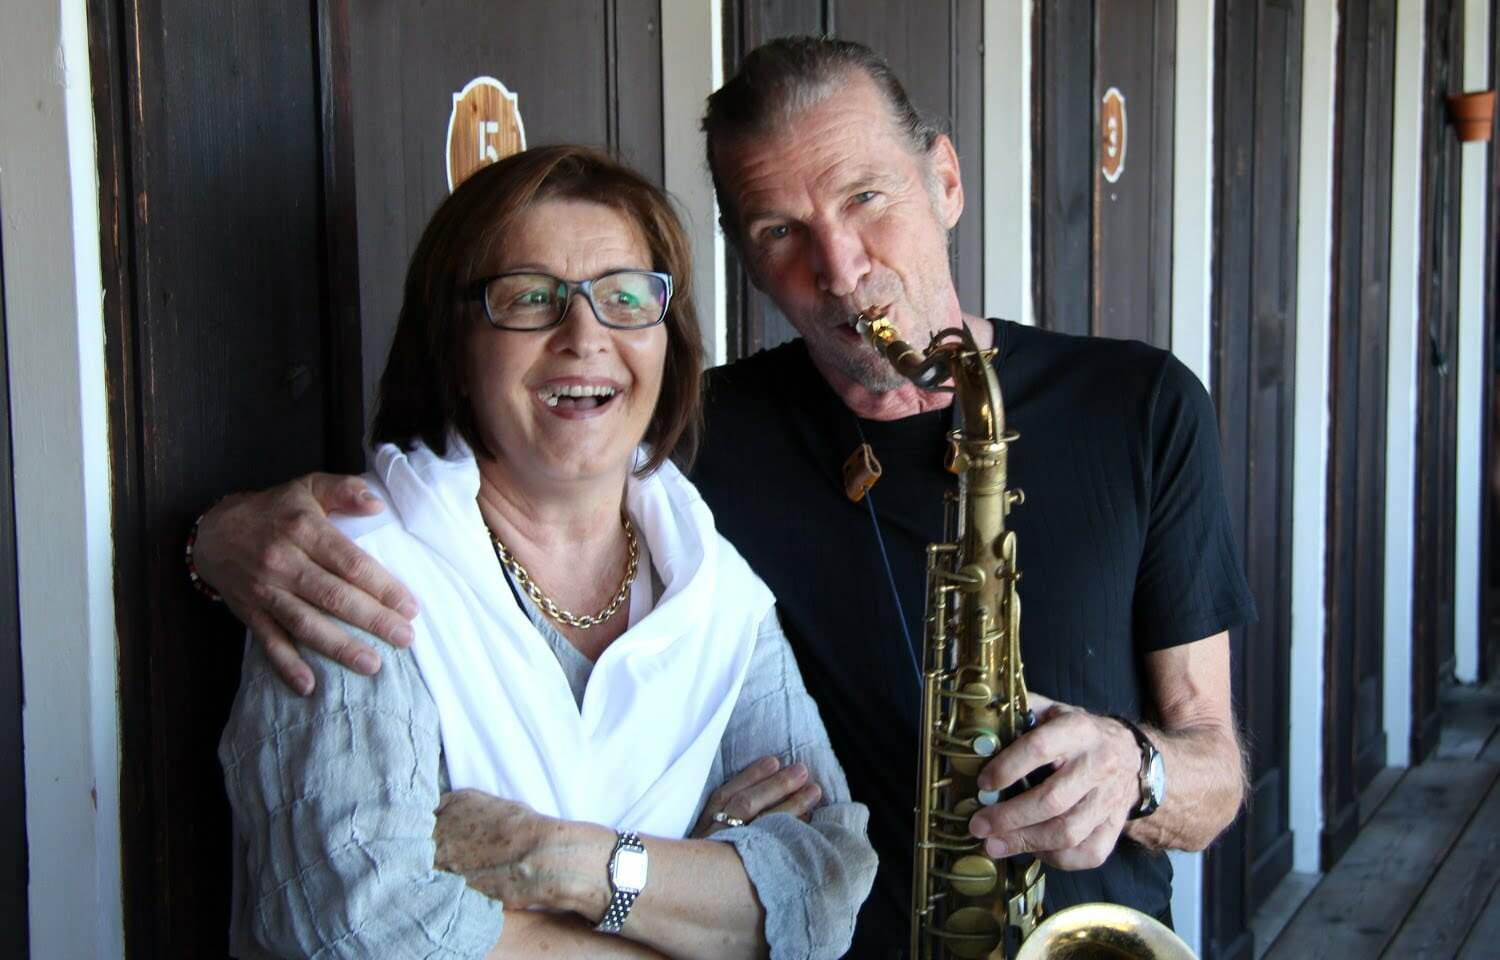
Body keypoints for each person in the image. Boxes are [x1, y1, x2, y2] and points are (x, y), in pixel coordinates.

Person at [196, 38, 1255, 959]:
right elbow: (361, 913)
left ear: (945, 180)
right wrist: (219, 536)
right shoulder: (682, 443)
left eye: (866, 197)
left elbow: (1213, 772)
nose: (839, 267)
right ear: (744, 260)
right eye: (780, 231)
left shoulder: (1142, 404)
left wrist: (1138, 770)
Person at [216, 143, 876, 959]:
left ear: (667, 344)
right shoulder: (354, 569)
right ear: (455, 348)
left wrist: (560, 861)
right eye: (531, 297)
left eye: (626, 297)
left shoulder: (712, 587)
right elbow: (364, 930)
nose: (584, 335)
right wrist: (695, 898)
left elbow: (823, 893)